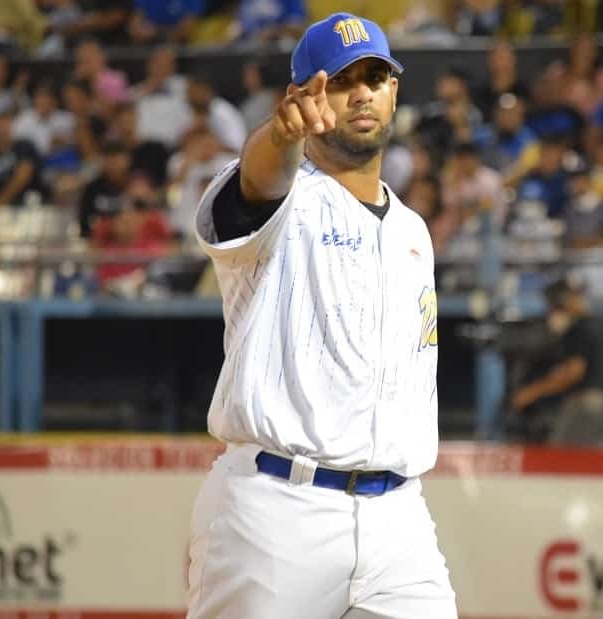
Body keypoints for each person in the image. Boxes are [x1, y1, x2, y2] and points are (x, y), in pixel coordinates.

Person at [187, 13, 456, 619]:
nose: (362, 92)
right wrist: (279, 136)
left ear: (394, 91)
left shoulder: (413, 229)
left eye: (376, 76)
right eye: (341, 81)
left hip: (399, 517)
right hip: (279, 509)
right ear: (303, 97)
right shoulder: (284, 198)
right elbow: (257, 179)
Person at [509, 278, 603, 445]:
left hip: (583, 405)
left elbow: (573, 373)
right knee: (592, 464)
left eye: (554, 305)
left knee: (560, 460)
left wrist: (531, 392)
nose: (553, 311)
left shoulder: (579, 328)